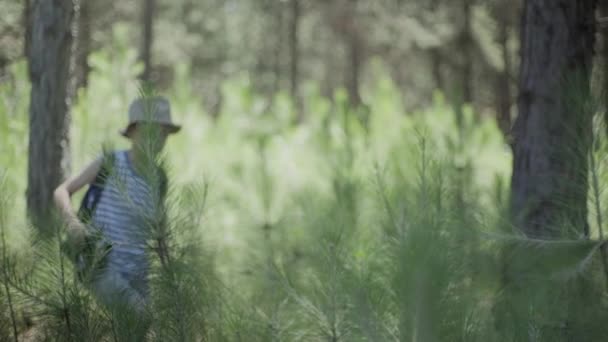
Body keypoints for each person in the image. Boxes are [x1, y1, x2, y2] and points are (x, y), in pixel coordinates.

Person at [53, 95, 181, 313]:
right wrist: (72, 223)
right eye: (151, 130)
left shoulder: (159, 178)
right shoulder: (111, 162)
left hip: (139, 270)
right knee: (140, 315)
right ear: (132, 132)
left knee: (137, 331)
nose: (157, 139)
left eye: (163, 133)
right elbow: (62, 191)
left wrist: (171, 273)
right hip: (99, 263)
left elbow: (160, 231)